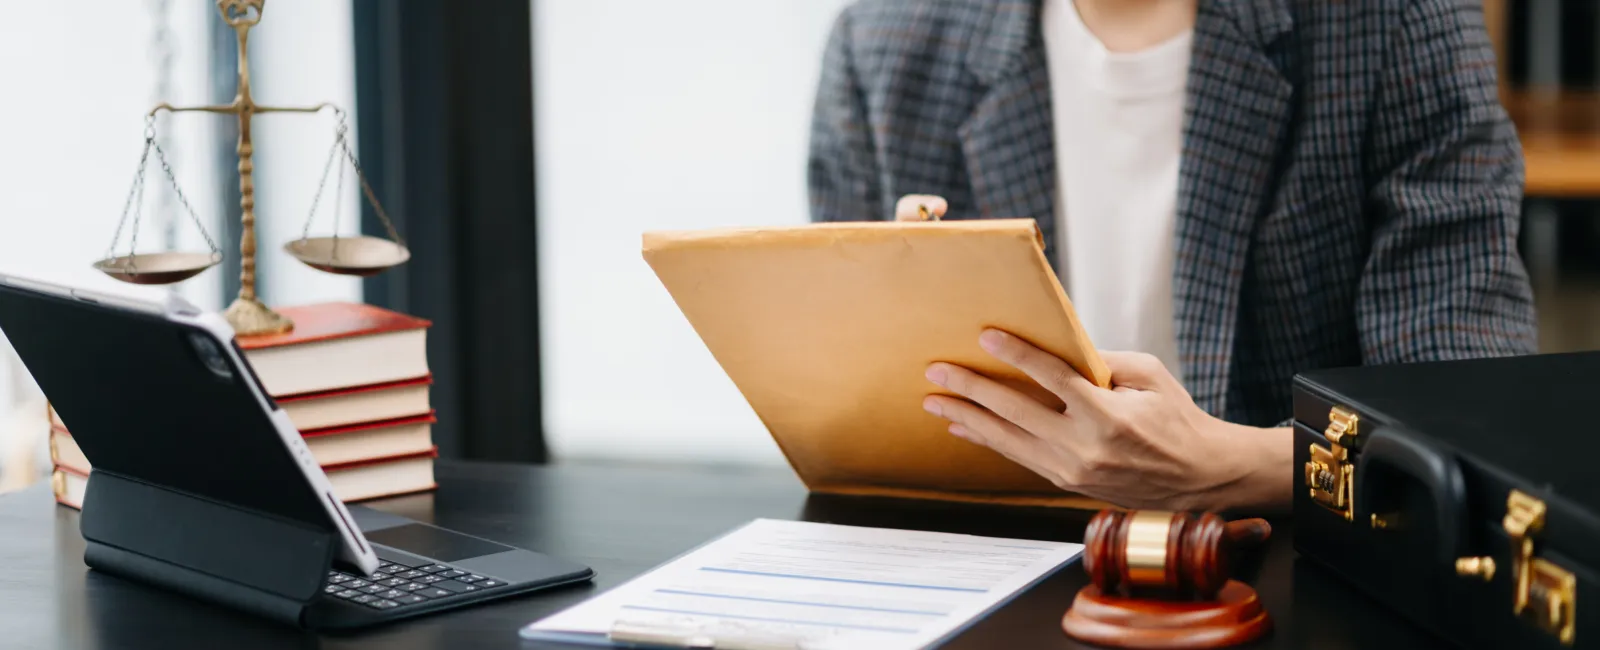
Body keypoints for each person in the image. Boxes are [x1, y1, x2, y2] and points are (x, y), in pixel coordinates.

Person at [806, 0, 1537, 512]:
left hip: (1294, 564)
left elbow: (1463, 414)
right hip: (1001, 570)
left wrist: (1245, 468)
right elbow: (846, 422)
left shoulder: (1395, 23)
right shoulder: (883, 45)